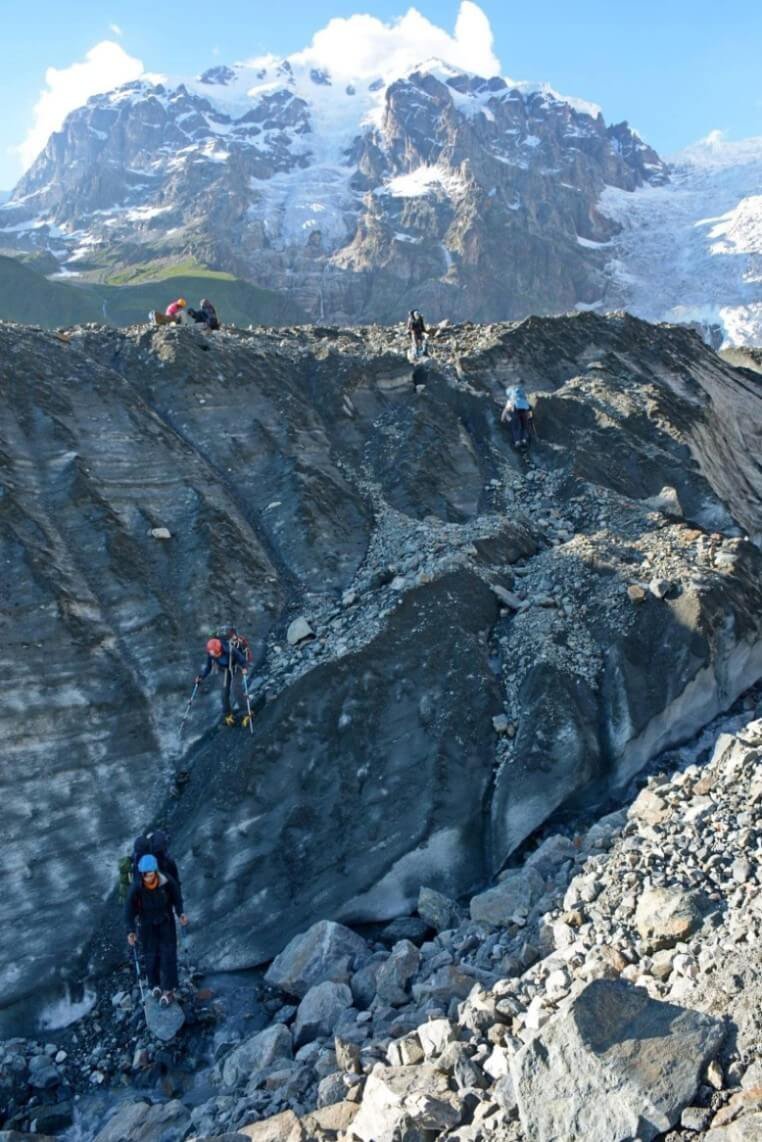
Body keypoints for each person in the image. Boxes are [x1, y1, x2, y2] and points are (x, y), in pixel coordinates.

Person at [126, 854, 188, 1006]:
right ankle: (154, 985)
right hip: (146, 925)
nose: (148, 878)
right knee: (150, 955)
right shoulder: (136, 888)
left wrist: (181, 913)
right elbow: (128, 911)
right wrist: (130, 931)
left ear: (155, 871)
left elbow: (177, 898)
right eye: (145, 875)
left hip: (165, 921)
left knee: (168, 954)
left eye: (150, 874)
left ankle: (169, 989)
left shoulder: (166, 882)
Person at [196, 636, 249, 726]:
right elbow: (208, 667)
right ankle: (228, 715)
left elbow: (242, 659)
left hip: (236, 668)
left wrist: (244, 667)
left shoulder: (230, 649)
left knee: (235, 689)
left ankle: (246, 713)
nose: (216, 656)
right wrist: (201, 677)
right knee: (224, 693)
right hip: (223, 670)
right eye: (215, 655)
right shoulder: (211, 653)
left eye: (218, 654)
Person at [501, 384, 533, 449]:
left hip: (515, 413)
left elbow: (506, 410)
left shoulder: (511, 400)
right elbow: (529, 409)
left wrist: (502, 418)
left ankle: (517, 442)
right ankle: (524, 440)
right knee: (524, 427)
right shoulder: (524, 400)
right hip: (524, 413)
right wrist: (530, 417)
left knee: (515, 427)